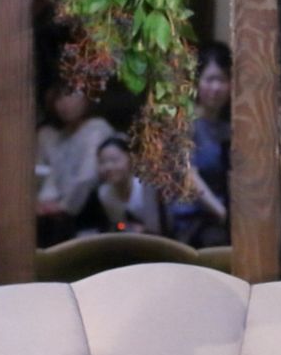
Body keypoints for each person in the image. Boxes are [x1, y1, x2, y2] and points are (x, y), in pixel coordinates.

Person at [167, 42, 230, 248]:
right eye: (210, 80)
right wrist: (223, 213)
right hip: (192, 221)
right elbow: (190, 176)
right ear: (196, 82)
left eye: (223, 80)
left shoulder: (229, 127)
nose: (216, 88)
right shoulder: (185, 123)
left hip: (224, 218)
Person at [34, 81, 113, 246]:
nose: (65, 103)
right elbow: (48, 174)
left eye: (72, 95)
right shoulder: (53, 136)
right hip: (56, 218)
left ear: (87, 99)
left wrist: (63, 206)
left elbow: (87, 177)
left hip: (90, 216)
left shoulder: (96, 129)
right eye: (59, 98)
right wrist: (45, 202)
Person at [93, 134, 161, 235]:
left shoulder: (147, 187)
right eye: (102, 162)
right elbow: (119, 224)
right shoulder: (104, 194)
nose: (108, 167)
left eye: (114, 160)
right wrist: (125, 226)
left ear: (131, 159)